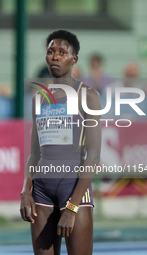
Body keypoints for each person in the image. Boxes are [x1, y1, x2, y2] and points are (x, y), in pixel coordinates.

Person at [20, 29, 102, 255]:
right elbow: (34, 154)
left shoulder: (88, 95)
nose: (55, 56)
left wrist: (72, 207)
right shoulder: (39, 98)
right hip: (41, 192)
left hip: (73, 189)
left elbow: (93, 156)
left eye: (62, 52)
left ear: (74, 59)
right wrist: (25, 192)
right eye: (50, 51)